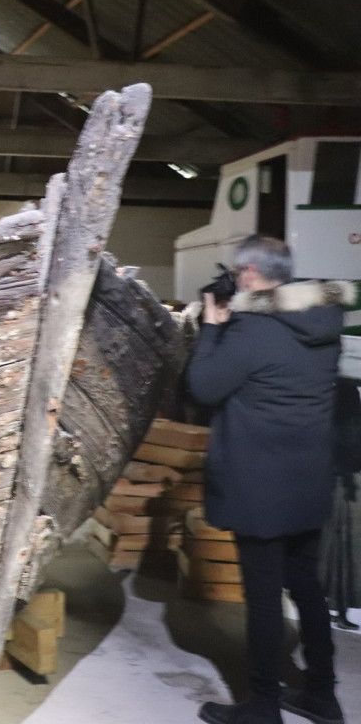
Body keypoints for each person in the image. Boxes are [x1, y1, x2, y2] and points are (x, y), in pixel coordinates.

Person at [187, 235, 354, 724]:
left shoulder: (252, 332)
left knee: (262, 598)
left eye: (241, 273)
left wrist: (212, 329)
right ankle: (322, 696)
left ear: (252, 275)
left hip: (259, 488)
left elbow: (203, 387)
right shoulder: (323, 325)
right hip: (307, 484)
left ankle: (262, 705)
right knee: (306, 589)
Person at [321, 380, 361, 631]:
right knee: (342, 552)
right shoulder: (347, 402)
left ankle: (334, 606)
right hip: (344, 484)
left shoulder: (336, 400)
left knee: (336, 551)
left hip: (340, 482)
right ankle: (337, 607)